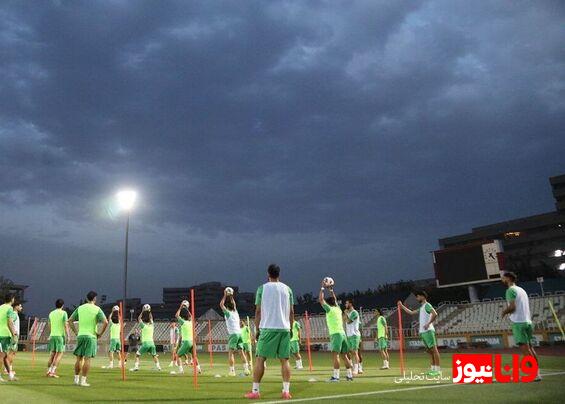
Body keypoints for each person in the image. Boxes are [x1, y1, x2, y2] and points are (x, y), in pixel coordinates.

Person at [245, 264, 295, 400]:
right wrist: (290, 328)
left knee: (260, 358)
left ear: (268, 274)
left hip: (268, 327)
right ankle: (286, 391)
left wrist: (257, 329)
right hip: (284, 328)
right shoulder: (288, 289)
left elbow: (258, 311)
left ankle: (255, 391)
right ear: (279, 274)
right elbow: (291, 312)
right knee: (285, 360)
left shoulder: (262, 288)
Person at [501, 271, 541, 381]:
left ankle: (534, 374)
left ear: (508, 278)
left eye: (503, 278)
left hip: (519, 323)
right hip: (527, 321)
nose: (502, 280)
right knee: (530, 348)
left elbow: (512, 307)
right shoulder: (521, 290)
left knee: (525, 349)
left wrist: (504, 312)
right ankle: (537, 372)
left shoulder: (510, 290)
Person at [68, 291, 108, 386]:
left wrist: (76, 332)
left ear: (86, 299)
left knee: (79, 359)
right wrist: (100, 334)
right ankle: (83, 381)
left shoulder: (80, 308)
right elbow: (106, 322)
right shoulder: (97, 309)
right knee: (87, 359)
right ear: (95, 299)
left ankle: (76, 379)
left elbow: (70, 320)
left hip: (81, 335)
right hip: (91, 336)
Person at [398, 291, 441, 376]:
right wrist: (402, 306)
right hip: (423, 332)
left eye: (418, 297)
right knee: (429, 351)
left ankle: (438, 370)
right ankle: (433, 369)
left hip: (428, 331)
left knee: (434, 350)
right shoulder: (422, 307)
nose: (417, 298)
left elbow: (435, 314)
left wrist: (428, 324)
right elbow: (411, 312)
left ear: (422, 297)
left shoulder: (427, 305)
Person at [319, 282, 353, 382]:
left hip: (336, 334)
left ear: (328, 303)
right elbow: (334, 299)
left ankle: (336, 376)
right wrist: (331, 290)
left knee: (336, 355)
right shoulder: (338, 308)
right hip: (343, 334)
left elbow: (321, 299)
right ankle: (349, 376)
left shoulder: (329, 309)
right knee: (344, 356)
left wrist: (322, 287)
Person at [220, 290, 250, 376]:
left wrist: (225, 295)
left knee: (230, 353)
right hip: (239, 334)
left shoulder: (228, 313)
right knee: (241, 352)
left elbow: (221, 305)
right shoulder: (235, 312)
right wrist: (231, 296)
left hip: (233, 334)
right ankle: (246, 369)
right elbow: (234, 304)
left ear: (227, 307)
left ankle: (232, 371)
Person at [171, 302, 200, 375]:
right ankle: (199, 369)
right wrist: (187, 309)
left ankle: (181, 370)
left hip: (186, 342)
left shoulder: (183, 322)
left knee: (177, 355)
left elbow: (176, 315)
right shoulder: (191, 322)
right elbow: (191, 316)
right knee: (194, 356)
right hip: (192, 342)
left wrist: (181, 307)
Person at [131, 306, 161, 371]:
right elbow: (151, 318)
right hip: (152, 343)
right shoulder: (152, 326)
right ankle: (158, 367)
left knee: (137, 355)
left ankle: (136, 367)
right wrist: (149, 311)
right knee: (154, 355)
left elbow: (139, 318)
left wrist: (143, 311)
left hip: (146, 343)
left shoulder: (143, 326)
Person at [47, 299, 69, 378]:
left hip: (52, 335)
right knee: (59, 354)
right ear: (62, 305)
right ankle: (53, 371)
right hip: (60, 336)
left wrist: (51, 332)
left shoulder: (51, 313)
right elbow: (66, 324)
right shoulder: (64, 313)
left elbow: (49, 324)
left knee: (52, 354)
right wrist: (68, 335)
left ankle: (48, 371)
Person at [0, 293, 17, 382]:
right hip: (4, 334)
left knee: (5, 356)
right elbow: (9, 322)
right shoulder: (9, 308)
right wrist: (14, 333)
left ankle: (10, 375)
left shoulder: (1, 307)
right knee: (2, 356)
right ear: (12, 299)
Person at [344, 299, 360, 375]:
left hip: (354, 335)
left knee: (355, 352)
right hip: (349, 335)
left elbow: (348, 321)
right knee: (349, 352)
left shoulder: (354, 313)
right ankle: (356, 366)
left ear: (350, 304)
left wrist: (346, 314)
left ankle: (356, 369)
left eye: (346, 303)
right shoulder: (349, 313)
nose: (345, 305)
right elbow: (345, 323)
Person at [6, 300, 22, 378]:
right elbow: (10, 322)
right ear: (16, 306)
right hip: (14, 335)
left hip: (15, 335)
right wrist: (14, 333)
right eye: (20, 306)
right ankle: (8, 369)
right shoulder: (14, 314)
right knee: (11, 352)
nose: (21, 307)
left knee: (13, 352)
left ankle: (9, 368)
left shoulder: (15, 314)